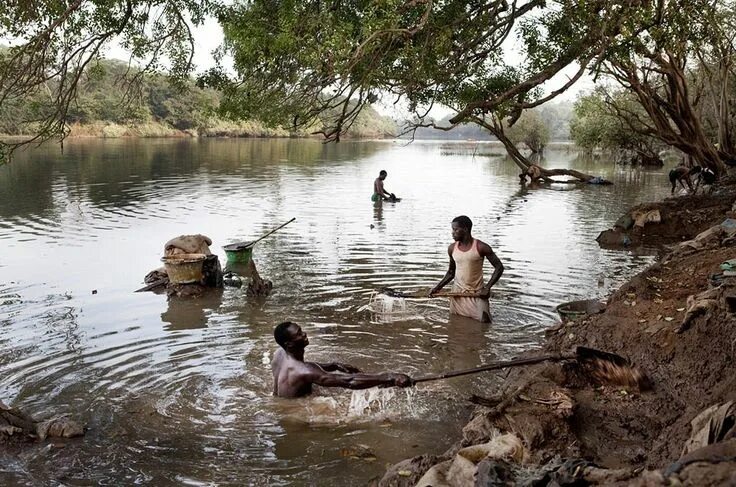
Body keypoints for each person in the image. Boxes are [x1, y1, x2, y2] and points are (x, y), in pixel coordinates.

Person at [271, 321, 414, 398]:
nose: (305, 334)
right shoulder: (304, 371)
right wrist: (390, 377)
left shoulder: (279, 354)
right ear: (289, 344)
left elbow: (305, 368)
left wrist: (333, 365)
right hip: (295, 413)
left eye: (301, 330)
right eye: (299, 334)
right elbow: (349, 381)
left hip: (280, 401)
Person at [429, 216, 504, 323]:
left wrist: (487, 288)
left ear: (465, 229)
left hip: (477, 294)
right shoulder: (452, 248)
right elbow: (451, 272)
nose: (452, 233)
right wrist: (437, 287)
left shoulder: (481, 247)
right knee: (456, 323)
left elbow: (499, 267)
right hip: (457, 294)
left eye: (455, 229)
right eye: (452, 229)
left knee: (485, 323)